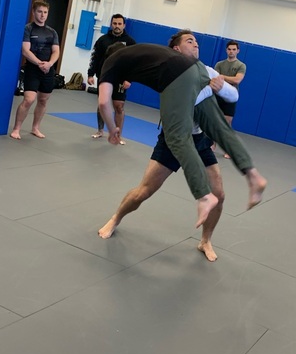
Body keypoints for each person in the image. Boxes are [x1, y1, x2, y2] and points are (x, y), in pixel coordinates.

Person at [98, 34, 267, 229]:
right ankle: (253, 176)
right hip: (196, 73)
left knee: (177, 137)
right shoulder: (185, 63)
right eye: (190, 41)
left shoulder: (112, 62)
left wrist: (112, 129)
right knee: (221, 129)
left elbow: (103, 102)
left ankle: (204, 197)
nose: (195, 45)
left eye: (195, 42)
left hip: (192, 128)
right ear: (176, 49)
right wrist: (212, 89)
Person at [10, 1, 60, 140]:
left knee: (43, 100)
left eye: (45, 12)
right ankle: (16, 129)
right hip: (33, 69)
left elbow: (56, 51)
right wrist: (39, 63)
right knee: (29, 99)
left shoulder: (52, 32)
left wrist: (49, 63)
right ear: (33, 12)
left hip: (48, 70)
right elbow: (25, 50)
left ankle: (35, 128)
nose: (42, 15)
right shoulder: (28, 29)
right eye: (40, 12)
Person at [87, 14, 136, 142]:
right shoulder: (103, 40)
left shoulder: (130, 42)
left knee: (119, 106)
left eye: (119, 24)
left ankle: (118, 135)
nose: (117, 26)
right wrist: (90, 74)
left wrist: (129, 79)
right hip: (105, 76)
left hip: (121, 78)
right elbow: (95, 58)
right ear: (111, 24)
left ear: (124, 25)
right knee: (102, 104)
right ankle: (100, 130)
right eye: (114, 23)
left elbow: (134, 63)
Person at [214, 40, 246, 158]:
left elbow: (237, 80)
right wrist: (225, 78)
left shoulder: (241, 66)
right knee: (214, 120)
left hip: (231, 97)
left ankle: (229, 150)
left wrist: (222, 76)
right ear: (226, 50)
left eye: (234, 49)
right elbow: (215, 79)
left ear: (238, 51)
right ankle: (212, 145)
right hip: (218, 95)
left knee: (227, 124)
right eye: (229, 49)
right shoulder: (219, 64)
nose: (231, 51)